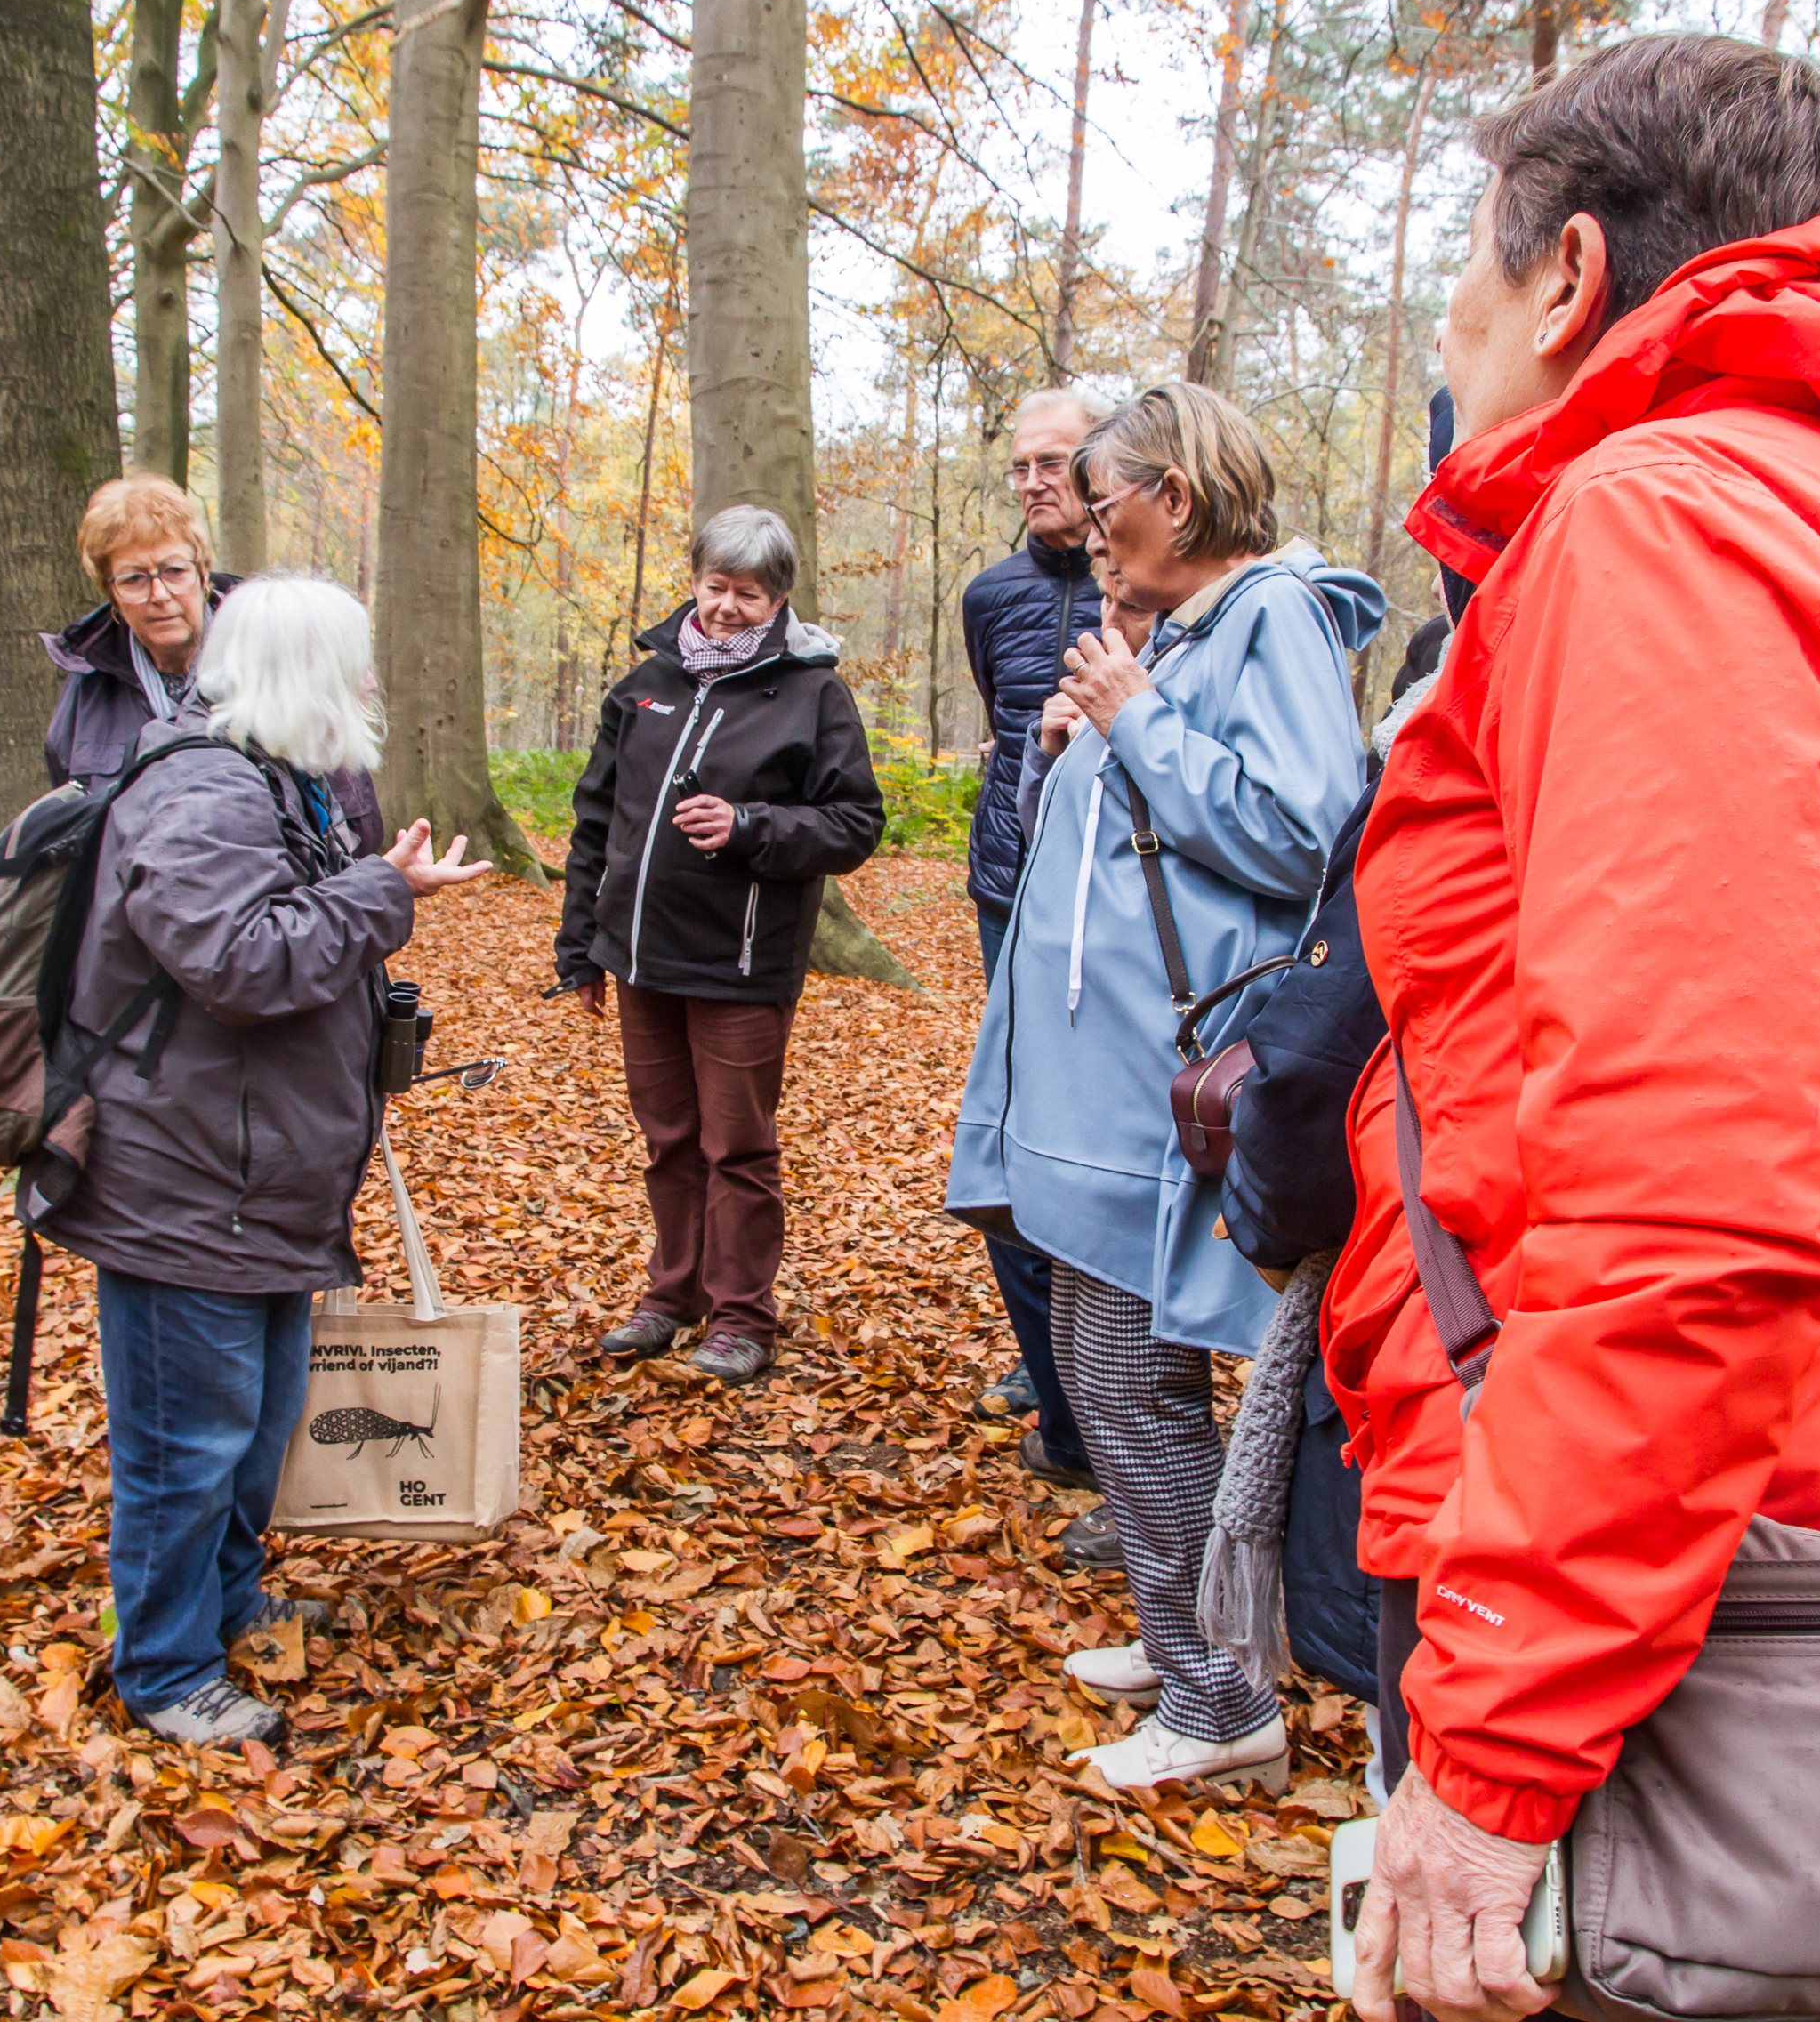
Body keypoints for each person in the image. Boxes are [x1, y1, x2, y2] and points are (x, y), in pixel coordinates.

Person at [1317, 36, 1820, 2020]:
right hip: (1705, 1499)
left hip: (1651, 1559)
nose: (1447, 345)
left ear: (1563, 274)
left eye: (1458, 286)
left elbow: (1696, 1190)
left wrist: (1496, 1752)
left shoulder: (1675, 526)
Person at [949, 383, 1385, 1790]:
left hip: (1166, 1089)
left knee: (1132, 1379)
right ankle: (1183, 1624)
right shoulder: (1183, 631)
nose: (1087, 529)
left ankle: (1219, 1702)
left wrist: (1139, 722)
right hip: (1103, 1089)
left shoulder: (1276, 617)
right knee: (1104, 1360)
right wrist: (1084, 745)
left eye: (1107, 499)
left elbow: (1300, 832)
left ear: (1175, 500)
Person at [37, 574, 490, 1750]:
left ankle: (226, 1607)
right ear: (301, 675)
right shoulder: (196, 788)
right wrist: (382, 892)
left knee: (255, 1426)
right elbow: (241, 962)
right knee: (185, 1444)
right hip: (180, 1180)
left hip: (255, 1178)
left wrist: (380, 888)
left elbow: (293, 931)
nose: (370, 689)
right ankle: (168, 1668)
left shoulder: (271, 780)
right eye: (352, 668)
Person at [556, 507, 887, 1387]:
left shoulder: (813, 693)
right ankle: (672, 1297)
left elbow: (854, 824)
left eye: (750, 593)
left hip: (742, 964)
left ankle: (743, 1316)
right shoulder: (644, 686)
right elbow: (596, 820)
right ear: (694, 579)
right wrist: (581, 945)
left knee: (735, 1146)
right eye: (716, 586)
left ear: (779, 597)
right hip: (640, 957)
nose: (729, 606)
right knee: (668, 1138)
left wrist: (749, 827)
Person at [961, 385, 1117, 1564]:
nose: (1033, 481)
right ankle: (1048, 1357)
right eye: (1019, 465)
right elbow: (1006, 721)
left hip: (1100, 902)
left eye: (1055, 460)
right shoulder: (992, 596)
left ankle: (1101, 1394)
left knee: (1082, 1140)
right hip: (1004, 884)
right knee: (1011, 1139)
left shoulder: (1143, 584)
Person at [42, 473, 383, 848]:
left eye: (174, 571)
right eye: (134, 579)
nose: (159, 594)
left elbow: (352, 813)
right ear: (112, 593)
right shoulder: (86, 692)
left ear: (203, 572)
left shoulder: (274, 656)